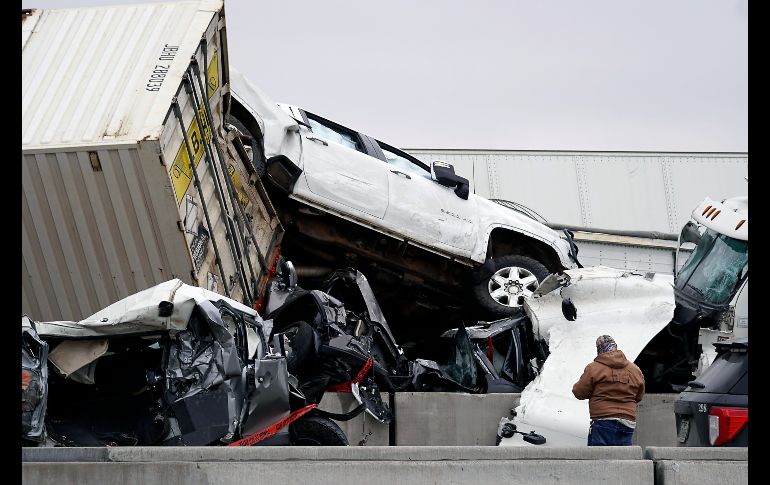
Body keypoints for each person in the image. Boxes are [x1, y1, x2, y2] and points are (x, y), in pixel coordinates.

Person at [572, 335, 645, 446]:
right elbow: (639, 396)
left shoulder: (594, 368)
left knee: (598, 460)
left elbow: (579, 392)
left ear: (599, 350)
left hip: (603, 421)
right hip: (627, 423)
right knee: (623, 460)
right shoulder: (635, 370)